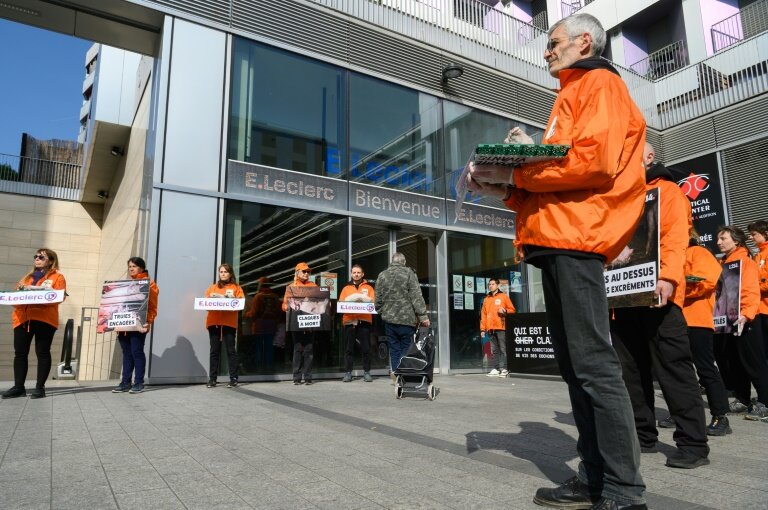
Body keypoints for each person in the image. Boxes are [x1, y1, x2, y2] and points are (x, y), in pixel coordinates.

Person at [468, 13, 647, 509]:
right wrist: (504, 185)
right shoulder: (574, 91)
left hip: (578, 239)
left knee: (593, 365)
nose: (546, 51)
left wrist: (520, 173)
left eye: (553, 43)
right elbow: (563, 171)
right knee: (576, 367)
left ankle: (624, 491)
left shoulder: (598, 83)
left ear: (584, 41)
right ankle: (595, 479)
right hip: (560, 236)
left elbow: (591, 161)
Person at [610, 143, 710, 469]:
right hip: (625, 300)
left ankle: (693, 444)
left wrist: (667, 277)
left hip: (659, 297)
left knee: (673, 369)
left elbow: (675, 236)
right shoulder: (622, 196)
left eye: (629, 153)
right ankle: (643, 436)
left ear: (648, 157)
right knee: (631, 373)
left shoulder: (667, 191)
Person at [666, 228, 730, 435]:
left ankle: (721, 416)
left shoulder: (699, 252)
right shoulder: (671, 256)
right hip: (673, 320)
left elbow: (705, 282)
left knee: (705, 369)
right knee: (677, 371)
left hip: (696, 320)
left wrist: (674, 290)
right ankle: (683, 413)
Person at [715, 226, 768, 422]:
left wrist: (746, 314)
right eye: (718, 239)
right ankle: (743, 398)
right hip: (728, 320)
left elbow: (751, 291)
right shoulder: (723, 263)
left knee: (754, 362)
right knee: (735, 361)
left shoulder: (746, 262)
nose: (718, 242)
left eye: (723, 238)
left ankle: (765, 401)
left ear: (736, 241)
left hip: (746, 318)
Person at [2, 248, 67, 400]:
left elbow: (59, 297)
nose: (37, 259)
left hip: (45, 319)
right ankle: (19, 387)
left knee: (42, 352)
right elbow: (15, 297)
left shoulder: (58, 277)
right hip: (22, 319)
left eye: (41, 257)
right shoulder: (27, 277)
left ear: (51, 260)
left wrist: (44, 293)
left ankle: (39, 388)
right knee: (20, 353)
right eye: (36, 256)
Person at [375, 252, 429, 378]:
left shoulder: (382, 275)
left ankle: (395, 373)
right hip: (407, 320)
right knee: (405, 348)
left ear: (392, 261)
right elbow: (416, 296)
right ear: (404, 262)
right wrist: (423, 317)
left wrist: (382, 311)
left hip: (389, 320)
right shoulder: (409, 273)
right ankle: (403, 374)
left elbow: (378, 298)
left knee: (394, 349)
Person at [111, 257, 159, 394]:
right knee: (127, 353)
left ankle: (138, 382)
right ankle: (125, 382)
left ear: (142, 268)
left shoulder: (150, 285)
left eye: (134, 266)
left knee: (136, 352)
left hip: (138, 324)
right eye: (129, 266)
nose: (131, 268)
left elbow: (153, 307)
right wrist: (114, 321)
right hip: (123, 324)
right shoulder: (126, 285)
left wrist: (148, 321)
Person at [205, 264, 245, 388]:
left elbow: (242, 304)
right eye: (221, 271)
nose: (223, 274)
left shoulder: (236, 288)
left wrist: (234, 299)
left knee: (231, 351)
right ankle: (212, 379)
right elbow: (206, 304)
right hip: (214, 322)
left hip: (229, 323)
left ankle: (233, 378)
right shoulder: (212, 288)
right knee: (214, 351)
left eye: (225, 272)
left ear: (230, 274)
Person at [339, 264, 375, 382]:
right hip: (349, 321)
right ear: (351, 274)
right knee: (349, 349)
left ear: (362, 274)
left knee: (366, 348)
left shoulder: (369, 288)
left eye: (358, 272)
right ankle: (348, 373)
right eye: (354, 272)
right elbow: (341, 304)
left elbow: (373, 303)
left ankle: (367, 372)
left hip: (364, 321)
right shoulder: (346, 289)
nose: (356, 274)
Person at [282, 262, 317, 385]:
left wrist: (326, 303)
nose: (306, 273)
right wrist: (286, 306)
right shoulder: (291, 287)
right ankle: (296, 377)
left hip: (310, 322)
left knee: (309, 349)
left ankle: (308, 377)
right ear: (297, 272)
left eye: (308, 271)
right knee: (297, 349)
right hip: (295, 323)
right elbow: (284, 304)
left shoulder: (314, 286)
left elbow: (320, 302)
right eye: (304, 271)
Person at [480, 278, 515, 377]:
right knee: (494, 350)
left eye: (493, 284)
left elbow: (512, 309)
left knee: (503, 349)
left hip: (501, 327)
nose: (490, 286)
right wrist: (483, 329)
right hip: (490, 328)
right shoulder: (486, 299)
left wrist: (504, 310)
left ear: (497, 285)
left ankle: (505, 368)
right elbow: (483, 315)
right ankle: (496, 368)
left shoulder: (504, 296)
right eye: (489, 284)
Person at [244, 276, 282, 370]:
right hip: (271, 325)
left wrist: (245, 314)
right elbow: (278, 311)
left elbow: (254, 312)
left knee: (259, 347)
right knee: (269, 346)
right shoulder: (275, 297)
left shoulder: (258, 296)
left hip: (259, 325)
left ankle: (259, 367)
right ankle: (269, 367)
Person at [747, 220, 768, 361]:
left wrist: (753, 289)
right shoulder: (757, 255)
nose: (750, 237)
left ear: (765, 234)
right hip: (760, 310)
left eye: (753, 234)